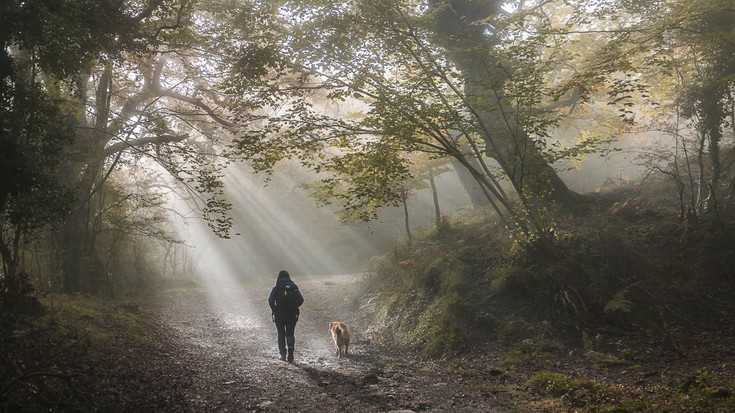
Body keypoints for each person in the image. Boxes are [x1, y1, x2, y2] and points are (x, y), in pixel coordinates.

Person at [268, 270, 304, 362]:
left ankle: (283, 355)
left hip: (279, 314)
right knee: (290, 333)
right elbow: (301, 300)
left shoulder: (276, 287)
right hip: (291, 314)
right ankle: (291, 347)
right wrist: (294, 306)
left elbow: (271, 300)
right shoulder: (293, 287)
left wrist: (274, 309)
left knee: (281, 334)